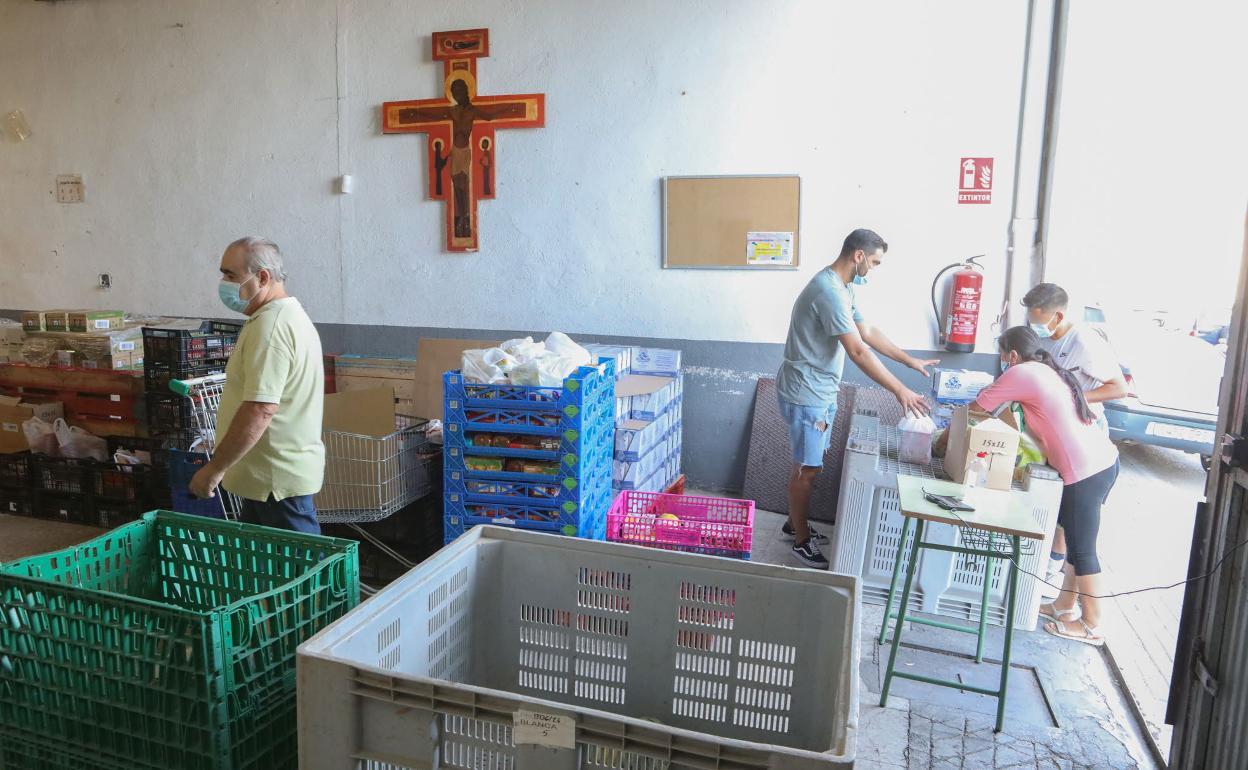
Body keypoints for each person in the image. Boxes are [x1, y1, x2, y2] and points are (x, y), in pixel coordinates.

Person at [776, 228, 937, 569]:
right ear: (859, 255)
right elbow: (858, 351)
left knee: (808, 463)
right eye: (874, 262)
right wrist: (899, 390)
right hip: (807, 392)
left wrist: (910, 361)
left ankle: (795, 522)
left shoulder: (843, 288)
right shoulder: (828, 292)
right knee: (808, 468)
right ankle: (800, 540)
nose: (874, 269)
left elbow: (868, 332)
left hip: (818, 389)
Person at [973, 326, 1120, 645]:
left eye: (1002, 356)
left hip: (1086, 470)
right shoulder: (1046, 370)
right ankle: (1064, 606)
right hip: (1099, 462)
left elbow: (977, 409)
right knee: (1072, 538)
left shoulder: (1021, 373)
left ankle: (1093, 625)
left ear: (1012, 355)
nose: (1002, 362)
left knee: (1082, 550)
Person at [188, 237, 326, 534]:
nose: (223, 283)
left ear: (262, 277)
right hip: (265, 479)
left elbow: (260, 408)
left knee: (305, 574)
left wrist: (214, 469)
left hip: (275, 483)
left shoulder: (271, 327)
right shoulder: (283, 316)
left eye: (230, 275)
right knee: (269, 569)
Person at [1021, 283, 1127, 585]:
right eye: (1033, 320)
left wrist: (1072, 397)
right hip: (1057, 436)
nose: (1037, 326)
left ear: (1059, 315)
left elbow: (1118, 388)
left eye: (1041, 321)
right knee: (1059, 514)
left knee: (1075, 524)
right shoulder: (1049, 344)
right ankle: (1055, 581)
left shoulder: (1085, 342)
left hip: (1085, 438)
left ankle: (1056, 578)